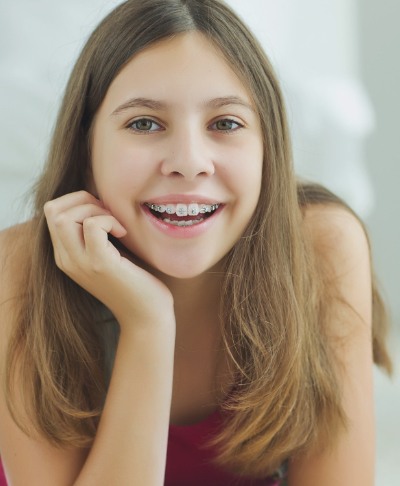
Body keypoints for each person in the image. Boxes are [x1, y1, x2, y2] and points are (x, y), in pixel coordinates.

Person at [0, 0, 392, 485]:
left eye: (225, 123)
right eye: (144, 123)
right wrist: (148, 324)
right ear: (86, 151)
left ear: (269, 149)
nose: (189, 161)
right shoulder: (20, 268)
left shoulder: (322, 246)